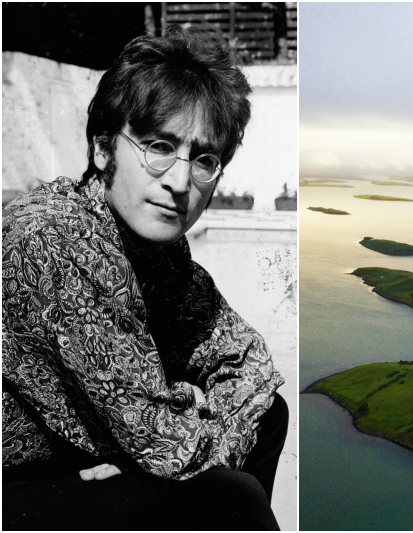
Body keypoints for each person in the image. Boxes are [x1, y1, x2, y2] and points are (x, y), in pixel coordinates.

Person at [2, 27, 287, 530]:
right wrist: (181, 408)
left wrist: (167, 422)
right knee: (230, 498)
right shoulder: (53, 240)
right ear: (103, 149)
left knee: (269, 416)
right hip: (18, 483)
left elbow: (249, 361)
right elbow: (162, 441)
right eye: (159, 145)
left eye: (204, 159)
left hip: (91, 453)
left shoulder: (157, 249)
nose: (180, 182)